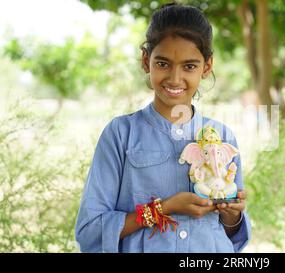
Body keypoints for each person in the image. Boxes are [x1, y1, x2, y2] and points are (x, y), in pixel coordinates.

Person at [75, 2, 251, 253]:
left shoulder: (222, 137)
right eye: (163, 63)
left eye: (189, 66)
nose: (175, 78)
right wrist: (165, 208)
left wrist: (232, 214)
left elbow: (232, 234)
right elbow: (90, 231)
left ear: (207, 67)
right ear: (146, 61)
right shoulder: (121, 134)